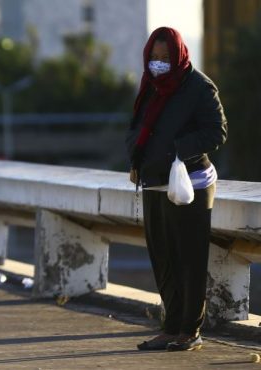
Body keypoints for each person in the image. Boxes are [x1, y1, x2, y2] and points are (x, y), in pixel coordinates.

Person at [126, 27, 227, 351]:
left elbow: (216, 131)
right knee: (163, 257)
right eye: (153, 58)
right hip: (155, 182)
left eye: (164, 58)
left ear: (178, 55)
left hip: (190, 184)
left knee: (189, 258)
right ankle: (170, 328)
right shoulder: (150, 87)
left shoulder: (198, 86)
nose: (158, 64)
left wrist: (177, 151)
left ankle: (190, 331)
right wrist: (137, 160)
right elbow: (139, 128)